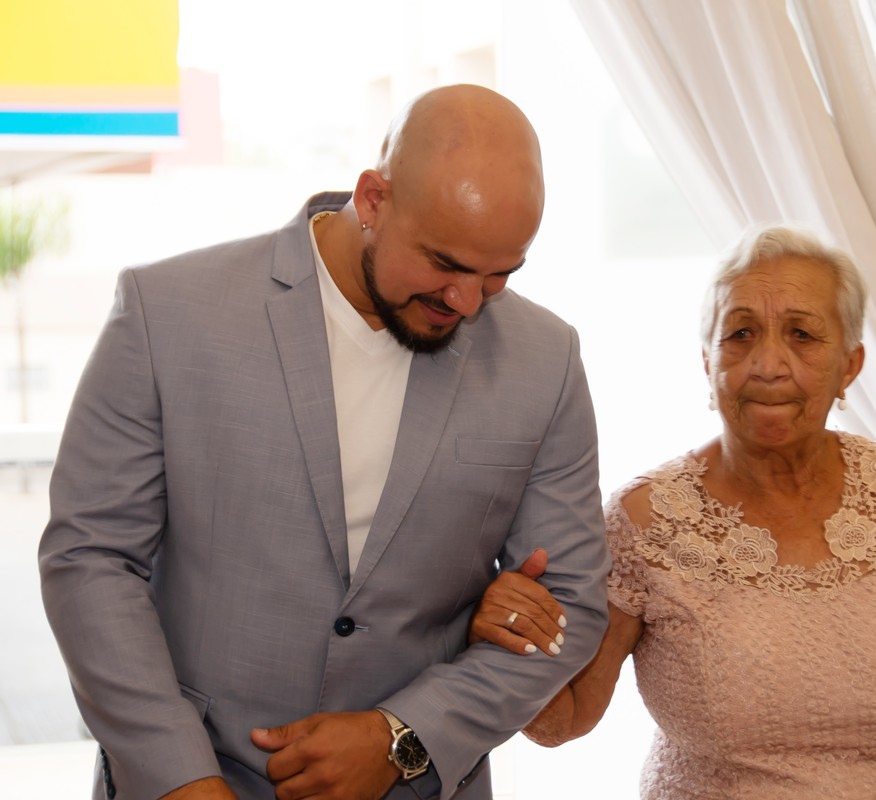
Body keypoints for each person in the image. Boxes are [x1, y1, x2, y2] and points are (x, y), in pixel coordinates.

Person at [38, 84, 611, 800]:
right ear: (373, 200)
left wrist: (402, 738)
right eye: (445, 264)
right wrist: (180, 777)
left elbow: (571, 604)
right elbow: (90, 561)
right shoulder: (167, 313)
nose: (467, 303)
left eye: (499, 275)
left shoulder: (545, 359)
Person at [470, 225, 876, 798]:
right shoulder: (646, 521)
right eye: (741, 334)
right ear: (707, 362)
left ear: (849, 366)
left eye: (802, 335)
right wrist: (512, 634)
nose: (768, 364)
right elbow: (565, 719)